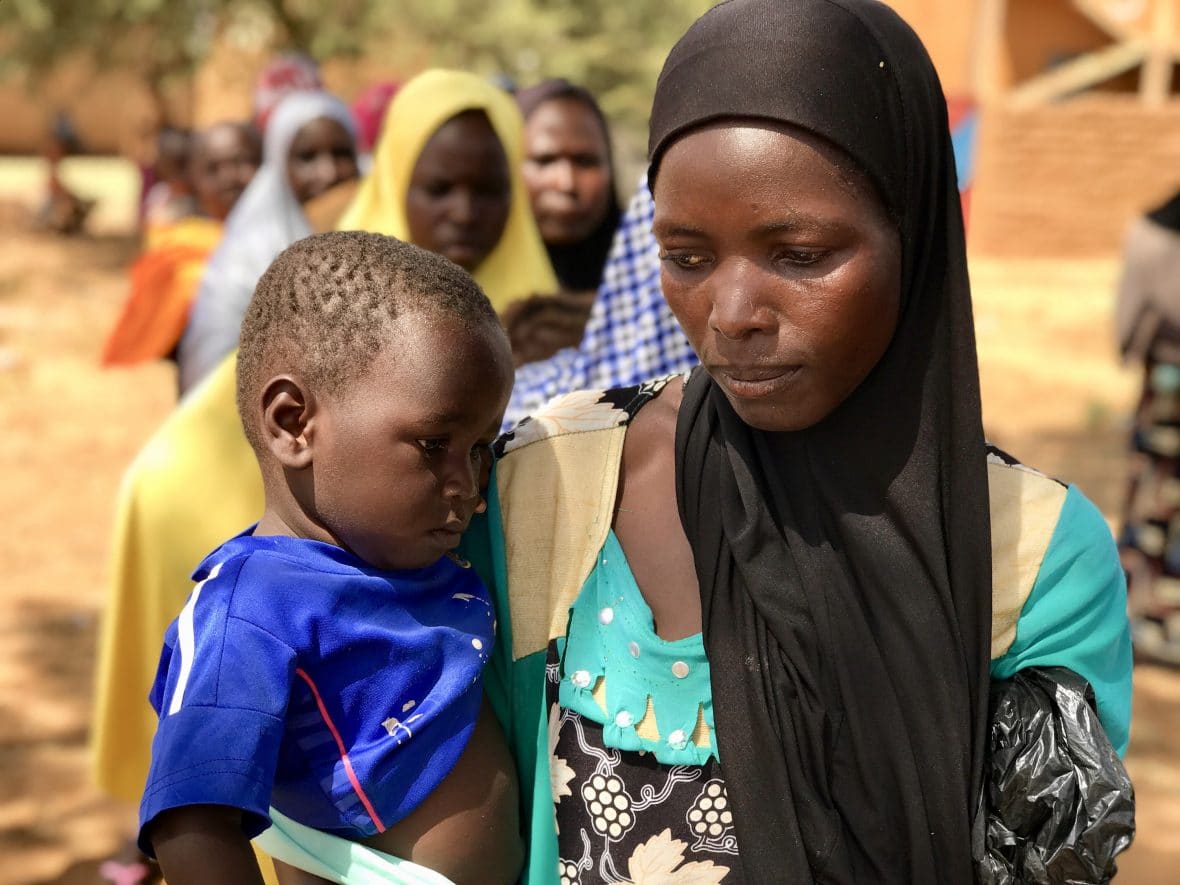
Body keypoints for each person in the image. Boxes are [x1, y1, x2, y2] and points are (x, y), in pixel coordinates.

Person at [471, 1, 1132, 882]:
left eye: (801, 254)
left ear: (917, 236)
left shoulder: (1032, 556)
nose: (733, 315)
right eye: (688, 256)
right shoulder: (551, 483)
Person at [137, 232, 520, 885]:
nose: (469, 483)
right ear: (293, 423)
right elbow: (191, 823)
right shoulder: (249, 608)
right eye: (435, 444)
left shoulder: (407, 553)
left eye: (481, 447)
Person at [177, 92, 359, 393]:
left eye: (341, 154)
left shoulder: (385, 241)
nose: (328, 173)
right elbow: (210, 378)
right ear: (278, 166)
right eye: (306, 157)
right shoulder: (245, 261)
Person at [337, 68, 557, 315]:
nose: (465, 214)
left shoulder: (548, 329)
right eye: (438, 190)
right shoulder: (340, 308)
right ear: (394, 183)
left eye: (488, 192)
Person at [101, 122, 261, 373]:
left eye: (243, 162)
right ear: (194, 177)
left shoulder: (278, 241)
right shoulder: (185, 242)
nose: (229, 177)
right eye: (213, 168)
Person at [503, 80, 623, 366]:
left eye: (585, 161)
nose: (566, 183)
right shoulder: (471, 283)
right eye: (544, 161)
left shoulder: (650, 285)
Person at [1117, 187, 1180, 665]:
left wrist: (1129, 345)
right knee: (1157, 501)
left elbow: (1130, 318)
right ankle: (1149, 621)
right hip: (1167, 388)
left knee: (1154, 501)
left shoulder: (1150, 234)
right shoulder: (1157, 237)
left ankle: (1147, 619)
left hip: (1163, 381)